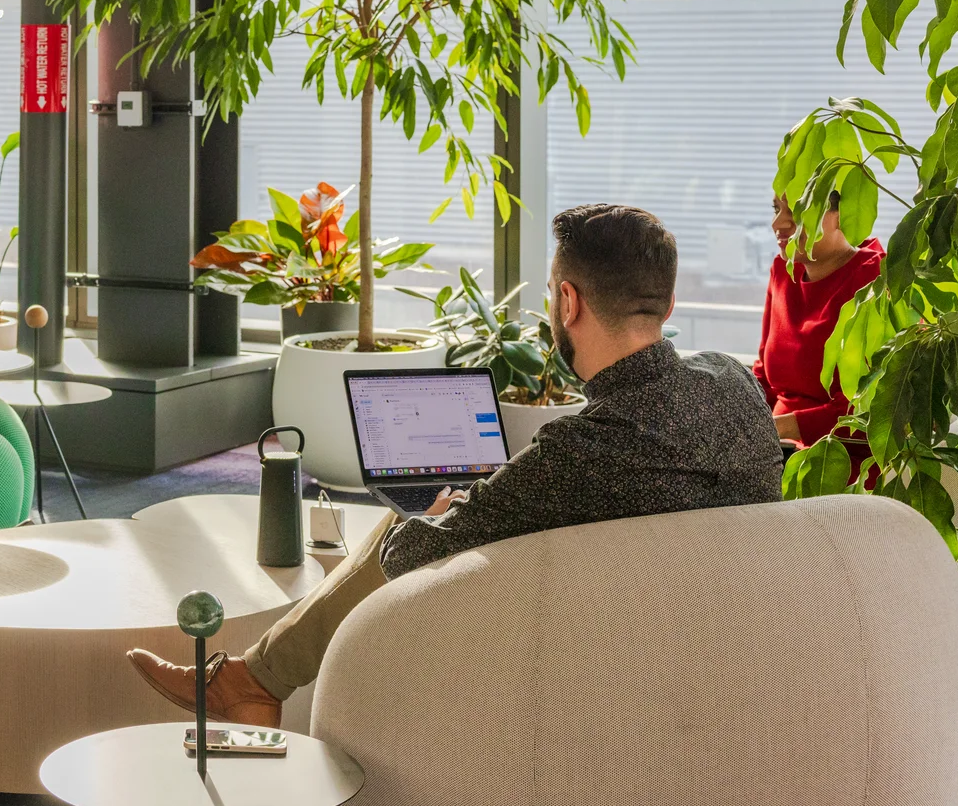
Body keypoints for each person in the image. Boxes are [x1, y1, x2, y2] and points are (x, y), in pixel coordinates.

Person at [127, 203, 784, 728]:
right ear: (666, 306)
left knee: (408, 527)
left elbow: (417, 549)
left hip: (614, 654)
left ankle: (251, 680)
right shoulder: (729, 380)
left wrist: (449, 507)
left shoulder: (588, 448)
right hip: (745, 644)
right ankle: (250, 679)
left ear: (568, 302)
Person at [756, 192, 882, 475]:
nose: (779, 223)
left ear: (844, 214)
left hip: (843, 469)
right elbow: (764, 377)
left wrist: (775, 427)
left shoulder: (875, 281)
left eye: (798, 211)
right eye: (776, 209)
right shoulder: (783, 271)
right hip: (775, 454)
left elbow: (867, 414)